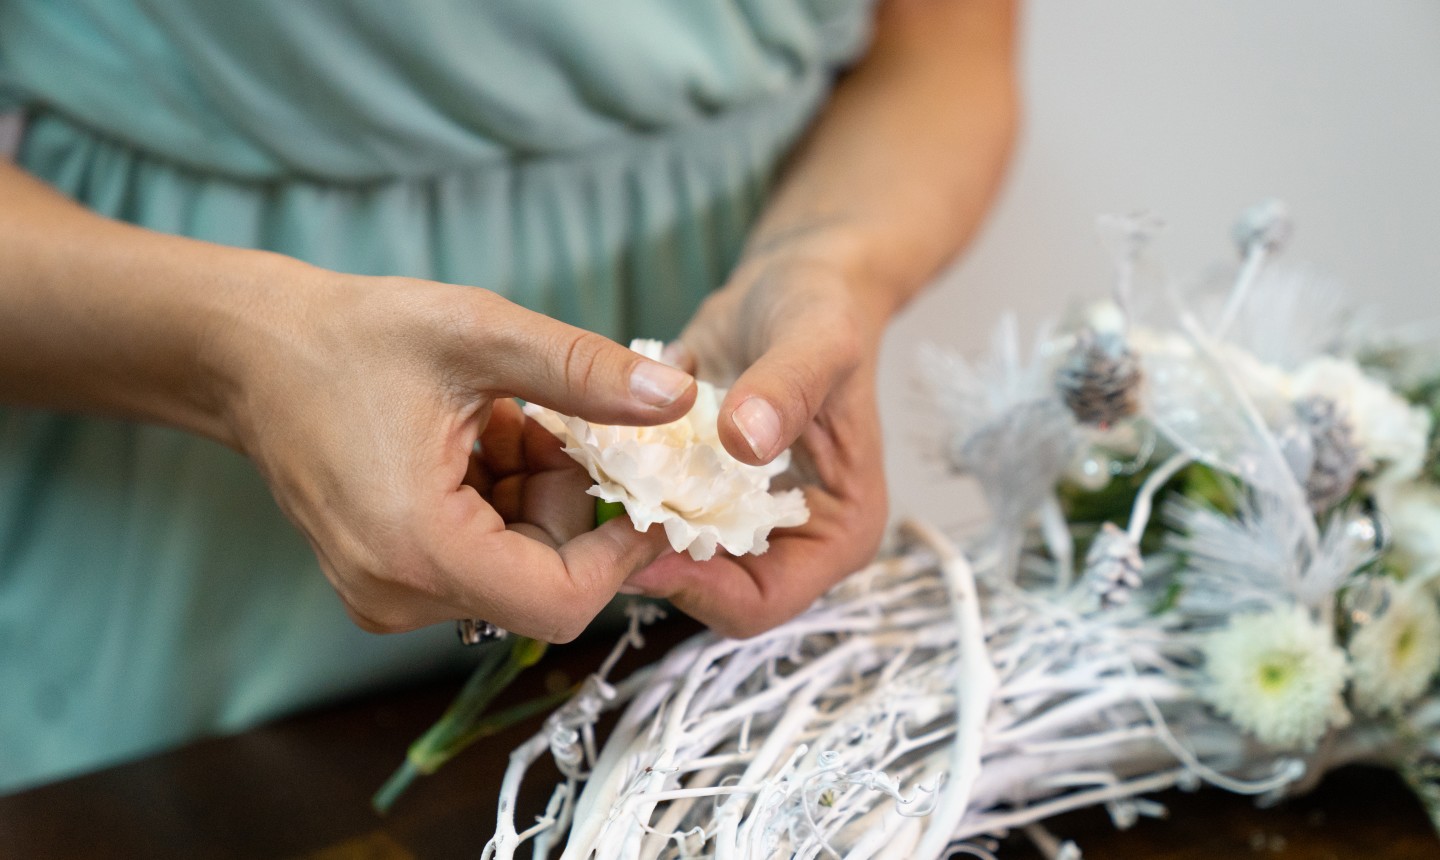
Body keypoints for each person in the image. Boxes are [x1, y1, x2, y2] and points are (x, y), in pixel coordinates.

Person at [0, 0, 1018, 791]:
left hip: (718, 628)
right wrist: (236, 357)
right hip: (163, 534)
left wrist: (830, 262)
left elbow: (945, 50)